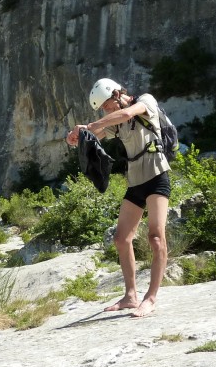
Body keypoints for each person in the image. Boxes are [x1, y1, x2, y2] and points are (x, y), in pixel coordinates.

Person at [65, 78, 171, 318]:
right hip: (135, 181)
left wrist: (90, 125)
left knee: (155, 237)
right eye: (104, 110)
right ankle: (131, 296)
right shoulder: (116, 120)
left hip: (157, 176)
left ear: (117, 94)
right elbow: (98, 134)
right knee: (121, 239)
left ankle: (150, 298)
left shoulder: (145, 101)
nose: (108, 111)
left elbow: (126, 115)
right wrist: (76, 137)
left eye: (108, 106)